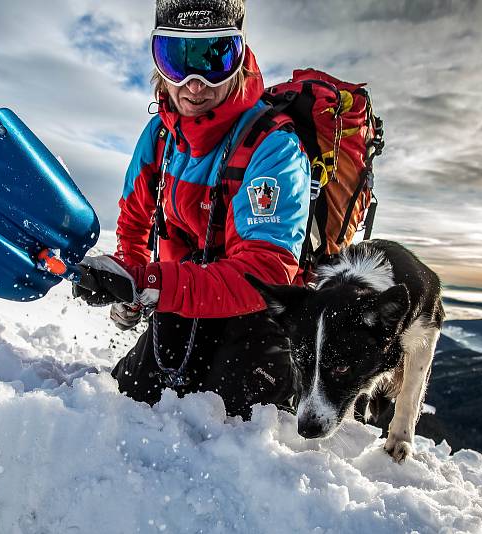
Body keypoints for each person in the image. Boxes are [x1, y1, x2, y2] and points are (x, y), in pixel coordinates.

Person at [72, 0, 309, 418]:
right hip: (182, 295)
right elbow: (133, 218)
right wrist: (129, 279)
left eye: (215, 58)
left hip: (256, 314)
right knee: (126, 402)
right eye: (176, 58)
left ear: (239, 58)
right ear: (158, 63)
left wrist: (148, 280)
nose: (194, 84)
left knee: (231, 431)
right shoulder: (161, 134)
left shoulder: (273, 147)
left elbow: (267, 273)